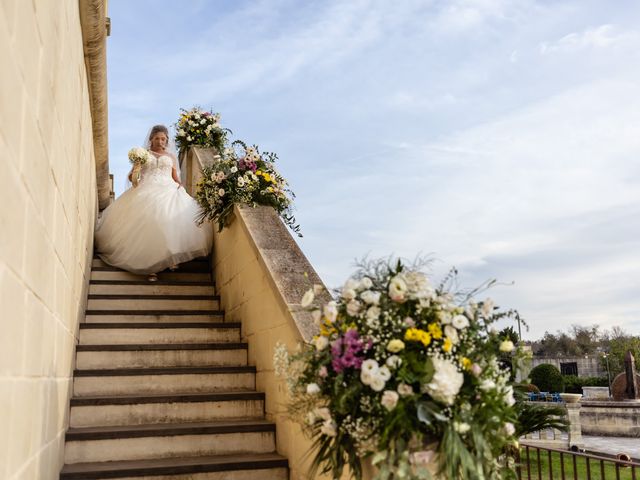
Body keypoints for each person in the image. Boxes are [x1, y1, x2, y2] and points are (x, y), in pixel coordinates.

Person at [95, 125, 212, 281]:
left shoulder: (171, 157)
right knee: (150, 223)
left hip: (167, 189)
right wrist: (136, 167)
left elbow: (175, 177)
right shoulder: (144, 155)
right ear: (151, 139)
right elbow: (132, 178)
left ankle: (170, 259)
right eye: (157, 138)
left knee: (168, 220)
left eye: (163, 138)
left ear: (166, 140)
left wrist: (180, 187)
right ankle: (150, 268)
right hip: (146, 189)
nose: (160, 141)